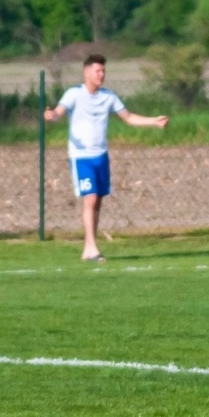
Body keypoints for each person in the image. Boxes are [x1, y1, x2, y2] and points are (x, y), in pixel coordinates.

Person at [44, 53, 168, 262]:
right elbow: (58, 112)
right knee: (90, 198)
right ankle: (92, 249)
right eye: (97, 71)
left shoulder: (108, 97)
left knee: (97, 202)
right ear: (86, 72)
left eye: (103, 71)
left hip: (101, 157)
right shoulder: (74, 94)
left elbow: (128, 117)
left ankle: (88, 249)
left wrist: (153, 121)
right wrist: (51, 116)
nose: (101, 74)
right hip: (81, 157)